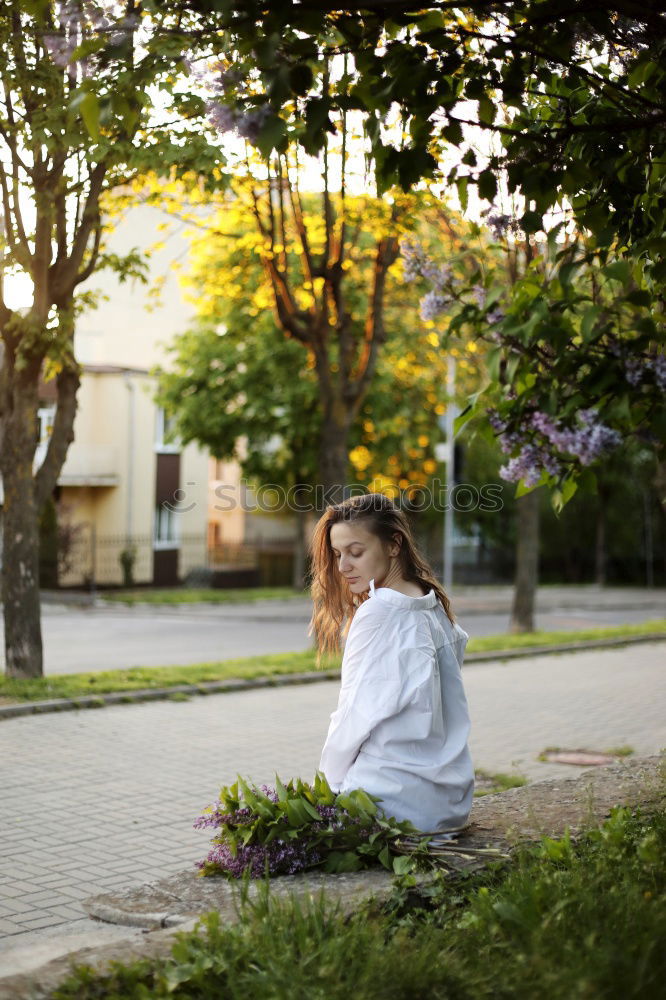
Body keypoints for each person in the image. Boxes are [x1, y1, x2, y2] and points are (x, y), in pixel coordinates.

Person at [309, 492, 474, 833]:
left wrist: (325, 790)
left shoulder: (379, 611)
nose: (342, 567)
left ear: (394, 544)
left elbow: (354, 715)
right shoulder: (433, 603)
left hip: (390, 803)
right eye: (338, 555)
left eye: (356, 552)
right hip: (448, 802)